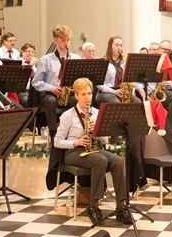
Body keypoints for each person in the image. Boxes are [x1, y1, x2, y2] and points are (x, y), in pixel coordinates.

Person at [54, 78, 131, 226]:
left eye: (89, 93)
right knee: (100, 160)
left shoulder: (97, 113)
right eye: (83, 94)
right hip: (74, 152)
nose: (87, 97)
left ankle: (121, 207)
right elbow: (57, 141)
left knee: (118, 160)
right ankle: (94, 206)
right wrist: (75, 142)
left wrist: (98, 131)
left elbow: (105, 141)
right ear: (76, 96)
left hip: (95, 149)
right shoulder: (68, 115)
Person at [32, 25, 81, 139]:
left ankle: (74, 132)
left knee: (77, 100)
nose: (66, 43)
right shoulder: (46, 59)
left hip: (69, 94)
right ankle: (54, 134)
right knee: (50, 101)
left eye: (68, 40)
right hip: (51, 94)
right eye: (63, 40)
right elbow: (36, 82)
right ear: (55, 40)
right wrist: (52, 88)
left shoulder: (76, 58)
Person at [96, 36, 142, 104]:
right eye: (116, 45)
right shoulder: (103, 62)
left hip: (120, 91)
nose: (119, 48)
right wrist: (113, 91)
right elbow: (98, 84)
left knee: (137, 102)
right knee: (116, 103)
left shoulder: (123, 62)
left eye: (121, 45)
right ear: (110, 47)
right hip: (105, 92)